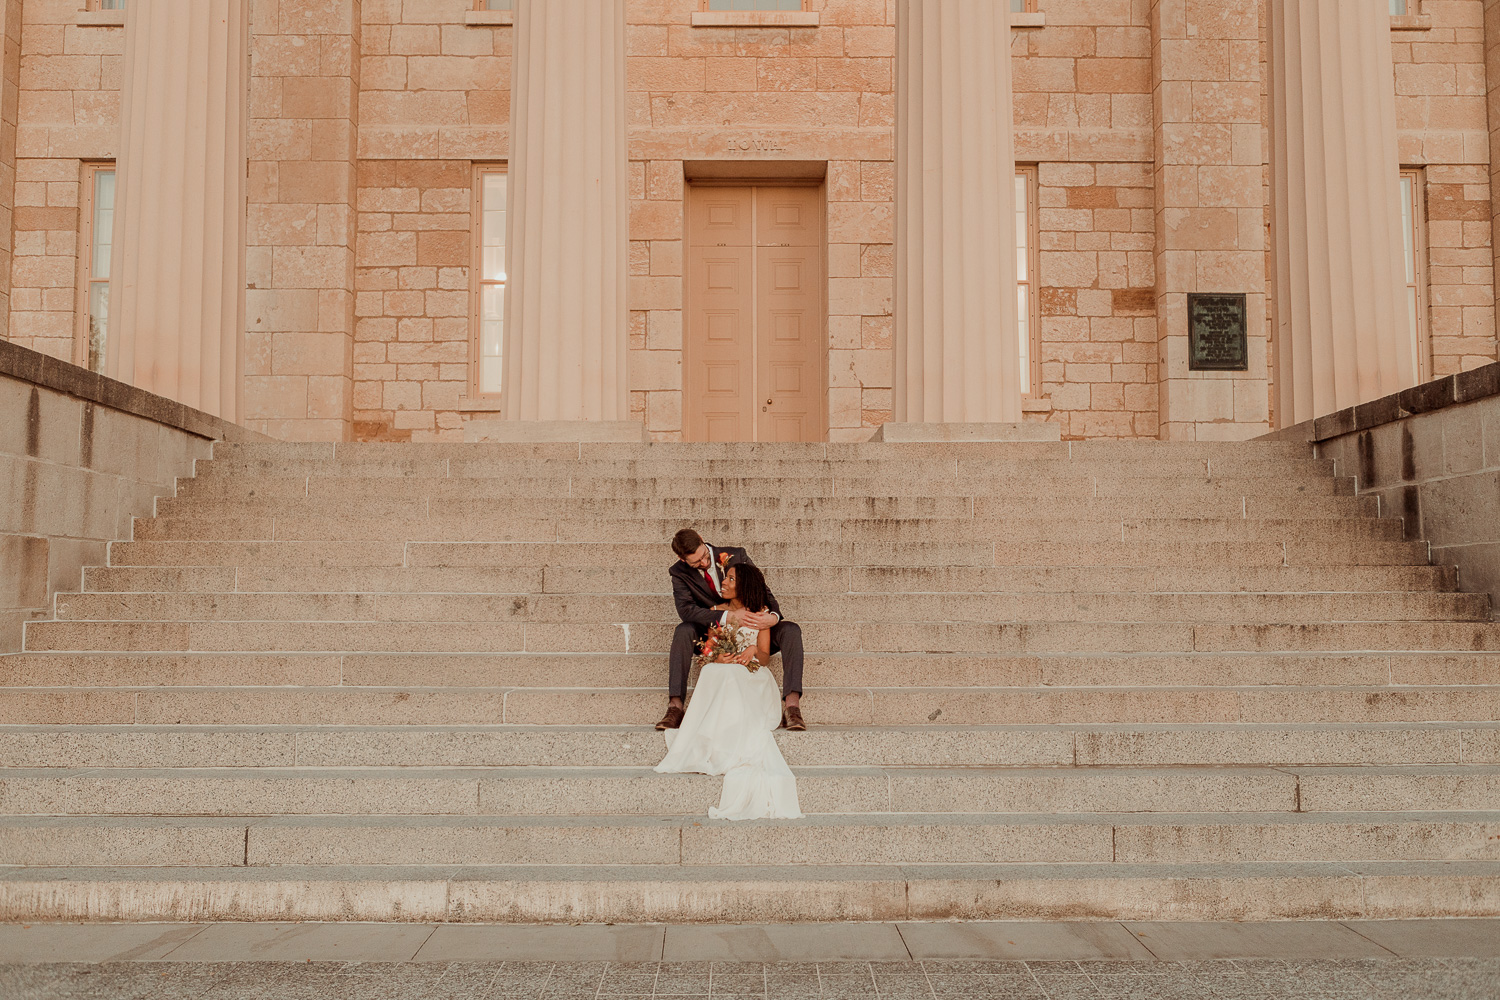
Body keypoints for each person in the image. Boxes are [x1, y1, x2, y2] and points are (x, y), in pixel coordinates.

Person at [654, 562, 803, 821]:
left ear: (743, 585)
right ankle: (710, 729)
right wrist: (717, 657)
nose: (724, 582)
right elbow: (711, 647)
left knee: (731, 674)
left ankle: (769, 715)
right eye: (725, 578)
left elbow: (765, 658)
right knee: (715, 671)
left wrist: (752, 651)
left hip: (753, 674)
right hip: (727, 666)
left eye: (730, 579)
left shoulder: (760, 614)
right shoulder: (716, 612)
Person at [658, 528, 805, 732]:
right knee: (684, 630)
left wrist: (772, 617)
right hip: (714, 627)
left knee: (791, 630)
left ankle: (792, 706)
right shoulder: (679, 572)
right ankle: (675, 706)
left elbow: (760, 587)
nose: (703, 563)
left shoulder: (736, 555)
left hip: (752, 626)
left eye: (703, 556)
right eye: (695, 563)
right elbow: (686, 610)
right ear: (681, 559)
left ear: (702, 539)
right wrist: (727, 617)